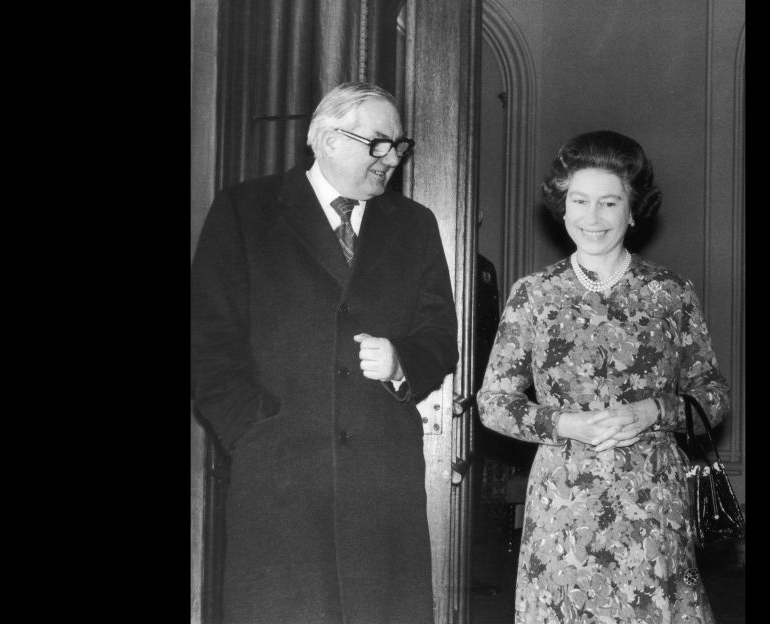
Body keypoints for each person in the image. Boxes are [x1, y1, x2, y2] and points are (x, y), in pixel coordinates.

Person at [191, 81, 458, 624]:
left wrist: (404, 361)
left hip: (380, 486)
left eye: (399, 147)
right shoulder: (245, 211)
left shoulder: (415, 225)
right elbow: (205, 339)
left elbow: (439, 336)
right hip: (279, 479)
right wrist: (253, 431)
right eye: (379, 143)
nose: (392, 159)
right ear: (328, 139)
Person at [477, 130, 730, 623]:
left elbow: (714, 397)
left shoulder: (670, 293)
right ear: (563, 206)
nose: (592, 218)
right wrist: (566, 424)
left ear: (632, 211)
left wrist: (653, 410)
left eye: (609, 203)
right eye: (580, 201)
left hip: (652, 502)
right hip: (563, 506)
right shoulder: (535, 294)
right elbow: (494, 403)